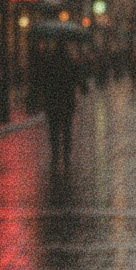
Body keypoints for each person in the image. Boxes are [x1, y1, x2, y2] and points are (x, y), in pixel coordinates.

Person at [34, 38, 84, 171]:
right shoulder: (71, 62)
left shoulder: (49, 62)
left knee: (54, 128)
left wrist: (41, 97)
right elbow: (79, 80)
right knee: (67, 128)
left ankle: (55, 154)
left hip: (52, 101)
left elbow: (43, 81)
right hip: (67, 100)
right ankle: (66, 155)